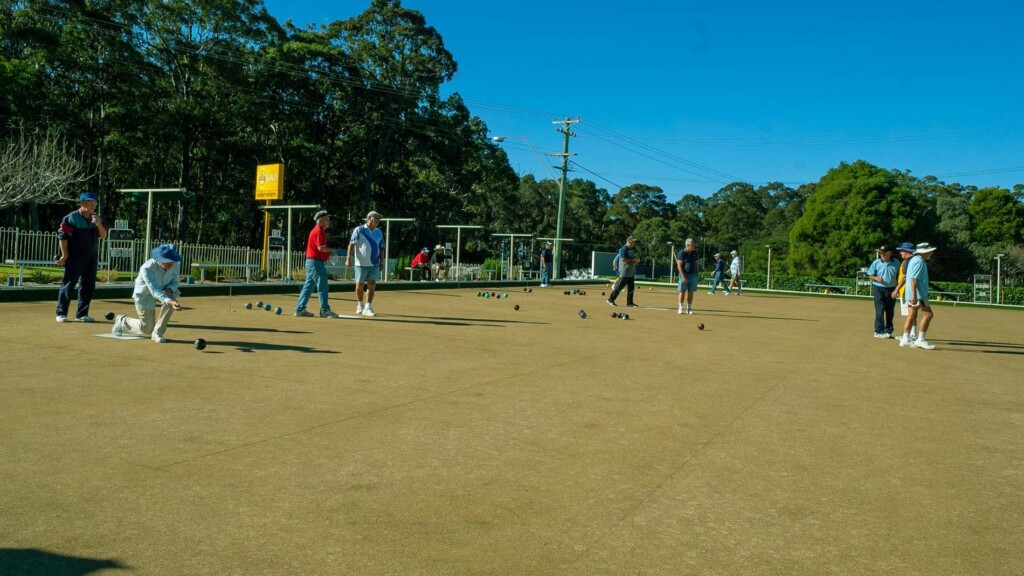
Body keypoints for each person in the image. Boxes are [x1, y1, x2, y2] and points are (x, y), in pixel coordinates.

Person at [112, 244, 183, 343]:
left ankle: (158, 333)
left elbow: (175, 281)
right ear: (160, 259)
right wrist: (169, 301)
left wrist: (170, 290)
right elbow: (155, 291)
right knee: (147, 329)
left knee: (173, 300)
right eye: (168, 262)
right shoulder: (147, 268)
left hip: (165, 290)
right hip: (144, 293)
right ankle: (122, 321)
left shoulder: (175, 265)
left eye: (172, 261)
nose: (171, 265)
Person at [55, 191, 108, 322]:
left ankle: (82, 314)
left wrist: (98, 224)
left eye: (94, 204)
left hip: (91, 257)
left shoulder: (97, 218)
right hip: (74, 257)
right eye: (89, 203)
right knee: (68, 284)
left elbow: (103, 236)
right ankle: (61, 313)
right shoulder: (71, 218)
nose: (92, 206)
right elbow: (63, 237)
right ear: (82, 203)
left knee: (88, 285)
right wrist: (64, 254)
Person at [294, 210, 339, 318]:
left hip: (312, 262)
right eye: (327, 219)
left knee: (308, 286)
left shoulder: (317, 230)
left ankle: (299, 309)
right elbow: (321, 248)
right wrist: (331, 250)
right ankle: (324, 311)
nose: (329, 221)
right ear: (320, 221)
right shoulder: (319, 231)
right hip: (315, 263)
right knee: (323, 286)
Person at [346, 210, 385, 316]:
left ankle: (368, 306)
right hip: (360, 263)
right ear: (369, 218)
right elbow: (351, 245)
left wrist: (382, 261)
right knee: (359, 285)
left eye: (378, 218)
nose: (377, 220)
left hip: (375, 263)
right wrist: (348, 258)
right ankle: (360, 304)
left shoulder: (379, 232)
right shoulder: (359, 230)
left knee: (372, 284)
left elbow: (381, 248)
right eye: (375, 218)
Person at [902, 242, 938, 349]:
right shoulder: (919, 261)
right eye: (930, 251)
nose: (931, 253)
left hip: (913, 293)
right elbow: (913, 279)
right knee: (928, 315)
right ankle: (921, 340)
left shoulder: (915, 259)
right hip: (918, 294)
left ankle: (905, 339)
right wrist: (914, 296)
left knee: (912, 316)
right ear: (925, 252)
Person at [867, 245, 900, 338]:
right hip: (879, 289)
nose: (882, 254)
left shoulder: (896, 262)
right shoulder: (876, 262)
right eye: (881, 253)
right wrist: (876, 278)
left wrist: (898, 289)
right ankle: (878, 331)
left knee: (890, 311)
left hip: (892, 289)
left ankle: (888, 331)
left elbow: (900, 276)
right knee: (879, 311)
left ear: (889, 253)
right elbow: (870, 275)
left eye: (884, 253)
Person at [891, 242, 918, 342]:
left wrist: (896, 289)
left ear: (907, 251)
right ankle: (912, 334)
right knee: (912, 314)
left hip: (907, 291)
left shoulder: (907, 262)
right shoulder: (912, 261)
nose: (900, 253)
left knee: (910, 314)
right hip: (908, 291)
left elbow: (905, 277)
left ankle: (911, 335)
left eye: (901, 251)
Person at [606, 236, 639, 307]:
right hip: (624, 272)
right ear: (629, 241)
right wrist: (633, 260)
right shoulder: (624, 249)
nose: (634, 243)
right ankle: (610, 299)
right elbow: (623, 259)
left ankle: (630, 303)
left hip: (630, 272)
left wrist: (636, 259)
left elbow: (631, 259)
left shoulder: (631, 250)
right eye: (633, 241)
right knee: (619, 287)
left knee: (631, 288)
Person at [676, 238, 700, 314]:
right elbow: (679, 266)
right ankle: (680, 307)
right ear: (687, 245)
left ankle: (689, 308)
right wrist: (683, 277)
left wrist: (697, 273)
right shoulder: (682, 253)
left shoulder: (695, 253)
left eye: (694, 245)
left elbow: (696, 263)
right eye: (692, 245)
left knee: (691, 292)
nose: (694, 246)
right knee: (682, 291)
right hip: (684, 274)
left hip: (693, 275)